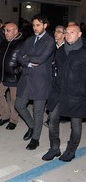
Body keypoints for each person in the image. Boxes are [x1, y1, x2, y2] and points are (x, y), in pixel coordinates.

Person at [42, 24, 86, 162]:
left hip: (77, 95)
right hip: (58, 92)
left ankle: (71, 150)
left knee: (76, 124)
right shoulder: (60, 52)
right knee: (53, 120)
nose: (68, 35)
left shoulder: (84, 53)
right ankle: (54, 148)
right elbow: (55, 70)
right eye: (66, 32)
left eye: (72, 32)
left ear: (79, 34)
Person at [15, 14, 55, 150]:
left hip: (41, 81)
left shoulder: (50, 41)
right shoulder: (29, 39)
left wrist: (28, 58)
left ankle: (35, 139)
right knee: (19, 105)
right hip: (26, 78)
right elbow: (19, 56)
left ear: (45, 25)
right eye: (33, 25)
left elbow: (40, 59)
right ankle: (32, 126)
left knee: (38, 112)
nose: (35, 28)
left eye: (38, 25)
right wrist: (29, 61)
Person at [0, 23, 24, 129]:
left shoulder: (22, 43)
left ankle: (13, 120)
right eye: (5, 30)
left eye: (8, 30)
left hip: (15, 76)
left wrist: (17, 71)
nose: (5, 33)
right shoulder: (4, 41)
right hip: (2, 74)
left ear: (16, 31)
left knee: (14, 99)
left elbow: (25, 61)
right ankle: (5, 116)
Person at [44, 25, 66, 127]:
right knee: (51, 97)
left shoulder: (67, 48)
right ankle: (52, 117)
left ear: (64, 34)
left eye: (58, 31)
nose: (55, 33)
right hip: (50, 76)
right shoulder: (51, 46)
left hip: (61, 78)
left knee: (58, 99)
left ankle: (53, 119)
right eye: (55, 31)